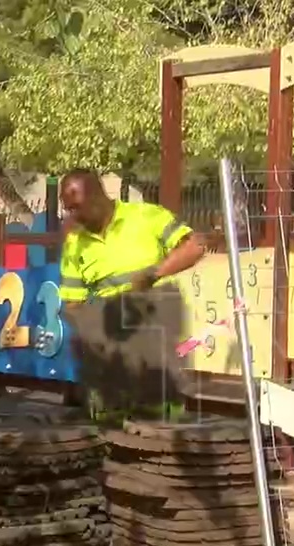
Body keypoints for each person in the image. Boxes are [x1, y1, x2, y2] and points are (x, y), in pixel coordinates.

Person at [56, 169, 215, 424]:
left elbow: (195, 246)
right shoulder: (75, 242)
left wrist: (154, 274)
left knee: (157, 415)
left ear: (97, 196)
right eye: (68, 209)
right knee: (108, 417)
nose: (73, 215)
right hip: (110, 335)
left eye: (77, 207)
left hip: (154, 324)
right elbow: (73, 303)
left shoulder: (145, 216)